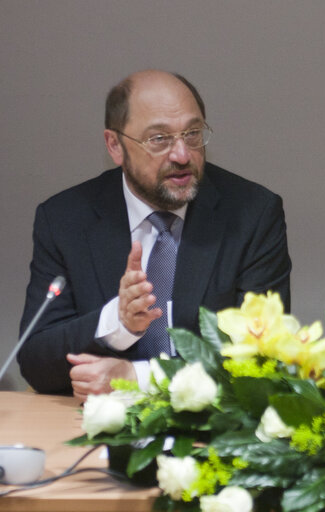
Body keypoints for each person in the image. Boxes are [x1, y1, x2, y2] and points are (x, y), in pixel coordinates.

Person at [18, 70, 291, 401]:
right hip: (94, 429)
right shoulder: (65, 219)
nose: (182, 155)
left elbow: (260, 360)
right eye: (159, 139)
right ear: (115, 146)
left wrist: (138, 378)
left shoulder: (252, 214)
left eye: (192, 134)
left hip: (209, 431)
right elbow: (35, 360)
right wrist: (116, 322)